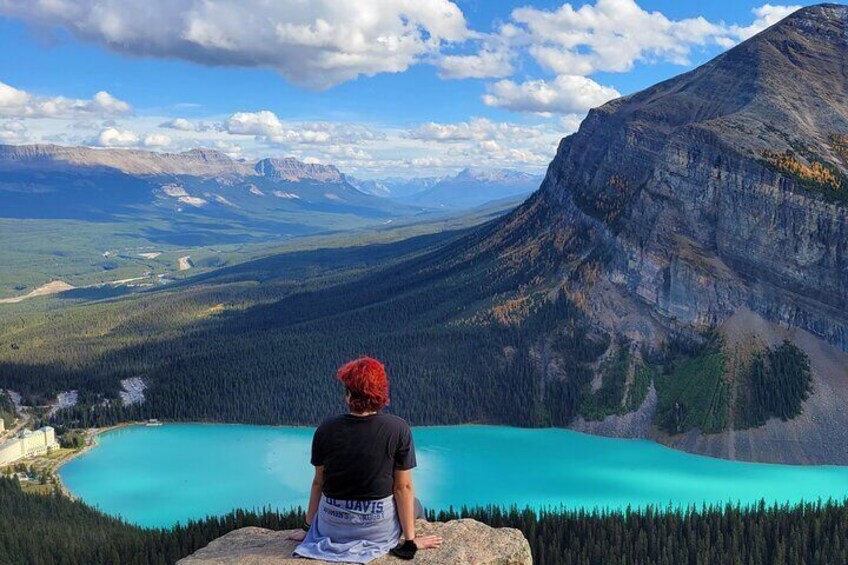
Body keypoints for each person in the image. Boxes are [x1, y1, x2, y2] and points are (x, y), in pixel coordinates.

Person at [289, 356, 443, 562]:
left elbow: (319, 481)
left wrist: (308, 529)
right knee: (416, 504)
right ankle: (413, 534)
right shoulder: (397, 429)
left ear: (349, 395)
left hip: (331, 528)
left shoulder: (325, 429)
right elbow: (402, 488)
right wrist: (410, 542)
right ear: (380, 394)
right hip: (377, 531)